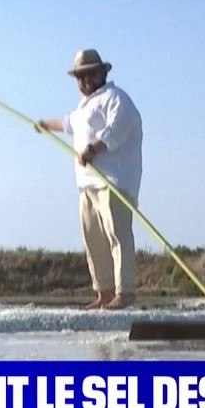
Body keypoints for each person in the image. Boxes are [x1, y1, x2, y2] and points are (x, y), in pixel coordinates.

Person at [36, 49, 143, 310]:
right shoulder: (82, 108)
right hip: (87, 184)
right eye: (80, 76)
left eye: (90, 74)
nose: (85, 80)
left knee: (118, 235)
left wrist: (94, 149)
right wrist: (44, 125)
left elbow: (117, 129)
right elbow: (67, 124)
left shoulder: (115, 98)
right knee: (93, 239)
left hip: (113, 181)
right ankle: (104, 293)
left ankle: (125, 291)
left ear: (103, 72)